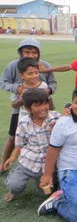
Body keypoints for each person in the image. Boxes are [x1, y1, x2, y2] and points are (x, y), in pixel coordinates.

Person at [0, 38, 57, 173]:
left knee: (46, 134)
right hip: (20, 108)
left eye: (34, 52)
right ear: (21, 53)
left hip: (42, 107)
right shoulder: (13, 66)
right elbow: (3, 82)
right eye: (27, 52)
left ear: (38, 53)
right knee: (13, 137)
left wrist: (48, 90)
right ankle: (3, 163)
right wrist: (18, 89)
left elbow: (53, 83)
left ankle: (46, 165)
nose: (31, 55)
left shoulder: (45, 65)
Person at [3, 89, 60, 202]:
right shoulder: (23, 122)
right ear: (28, 109)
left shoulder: (57, 118)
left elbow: (71, 122)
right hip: (28, 162)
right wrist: (13, 157)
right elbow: (19, 143)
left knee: (46, 193)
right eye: (37, 105)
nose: (43, 108)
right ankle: (12, 189)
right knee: (14, 185)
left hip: (48, 166)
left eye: (45, 103)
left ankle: (45, 181)